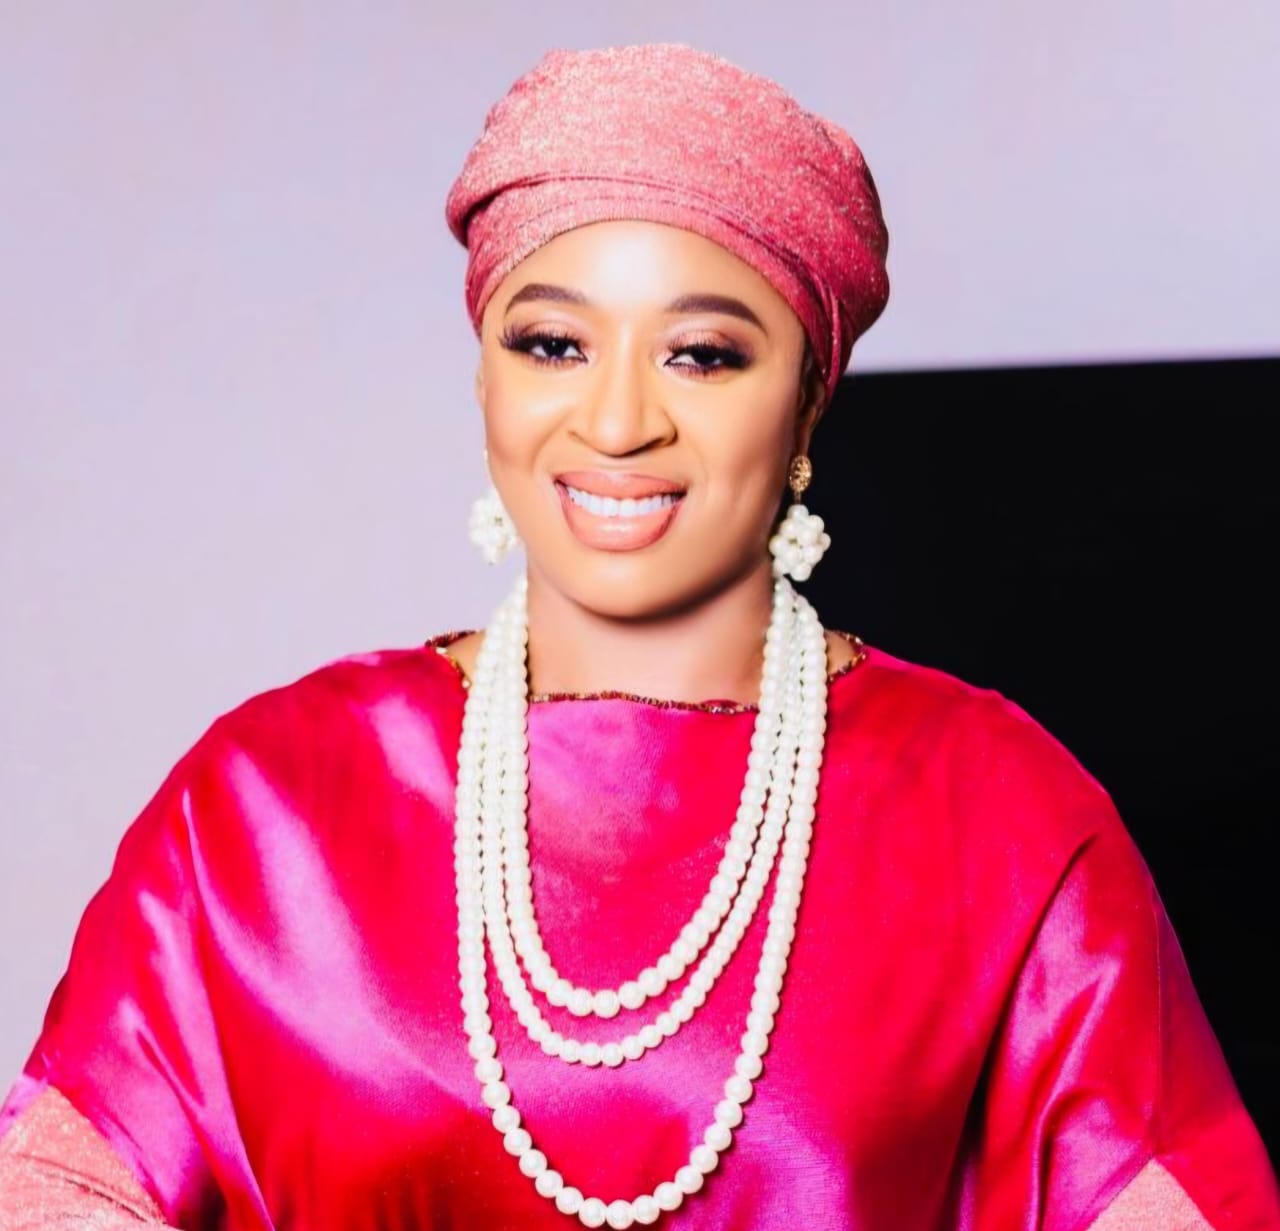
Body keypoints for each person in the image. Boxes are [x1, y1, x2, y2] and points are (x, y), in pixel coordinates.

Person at [1, 42, 1276, 1231]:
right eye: (552, 342)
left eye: (702, 355)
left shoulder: (993, 815)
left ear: (806, 400)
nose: (615, 422)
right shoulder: (269, 802)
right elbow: (62, 1183)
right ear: (486, 375)